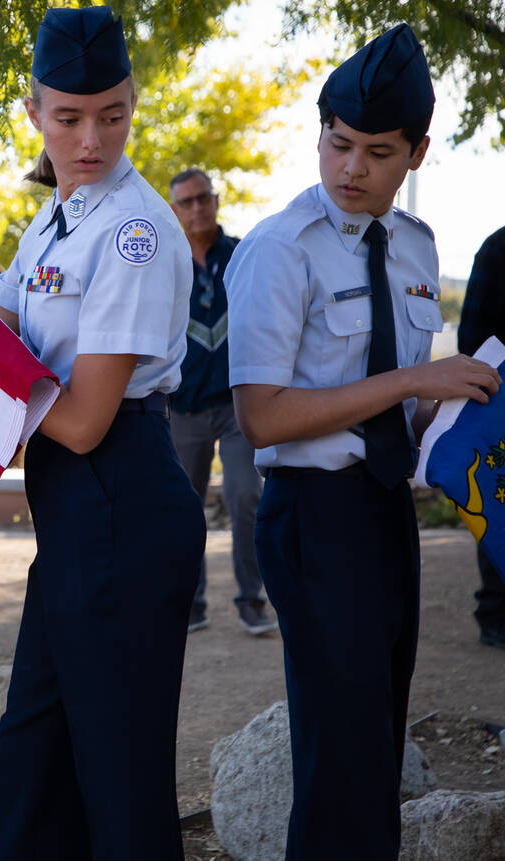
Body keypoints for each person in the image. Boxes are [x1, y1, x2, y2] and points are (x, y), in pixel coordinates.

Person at [226, 25, 501, 859]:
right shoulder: (280, 249)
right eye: (338, 144)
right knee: (339, 753)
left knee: (376, 742)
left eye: (378, 152)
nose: (351, 168)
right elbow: (263, 417)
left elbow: (393, 410)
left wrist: (456, 409)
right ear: (319, 133)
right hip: (312, 516)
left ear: (416, 153)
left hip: (385, 512)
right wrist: (416, 382)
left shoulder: (415, 248)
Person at [0, 7, 204, 857]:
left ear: (134, 102)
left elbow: (80, 419)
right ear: (35, 112)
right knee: (33, 760)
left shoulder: (135, 228)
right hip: (77, 512)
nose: (90, 139)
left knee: (119, 779)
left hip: (120, 494)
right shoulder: (57, 217)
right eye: (68, 118)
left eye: (112, 115)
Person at [167, 168, 272, 635]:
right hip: (183, 404)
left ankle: (251, 600)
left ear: (214, 199)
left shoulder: (243, 254)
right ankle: (190, 603)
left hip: (236, 403)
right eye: (185, 202)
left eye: (202, 199)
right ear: (174, 210)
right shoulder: (164, 261)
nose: (195, 209)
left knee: (245, 494)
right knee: (183, 506)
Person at [456, 225, 505, 649]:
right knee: (496, 504)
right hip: (502, 405)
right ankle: (495, 614)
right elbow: (472, 339)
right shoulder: (499, 248)